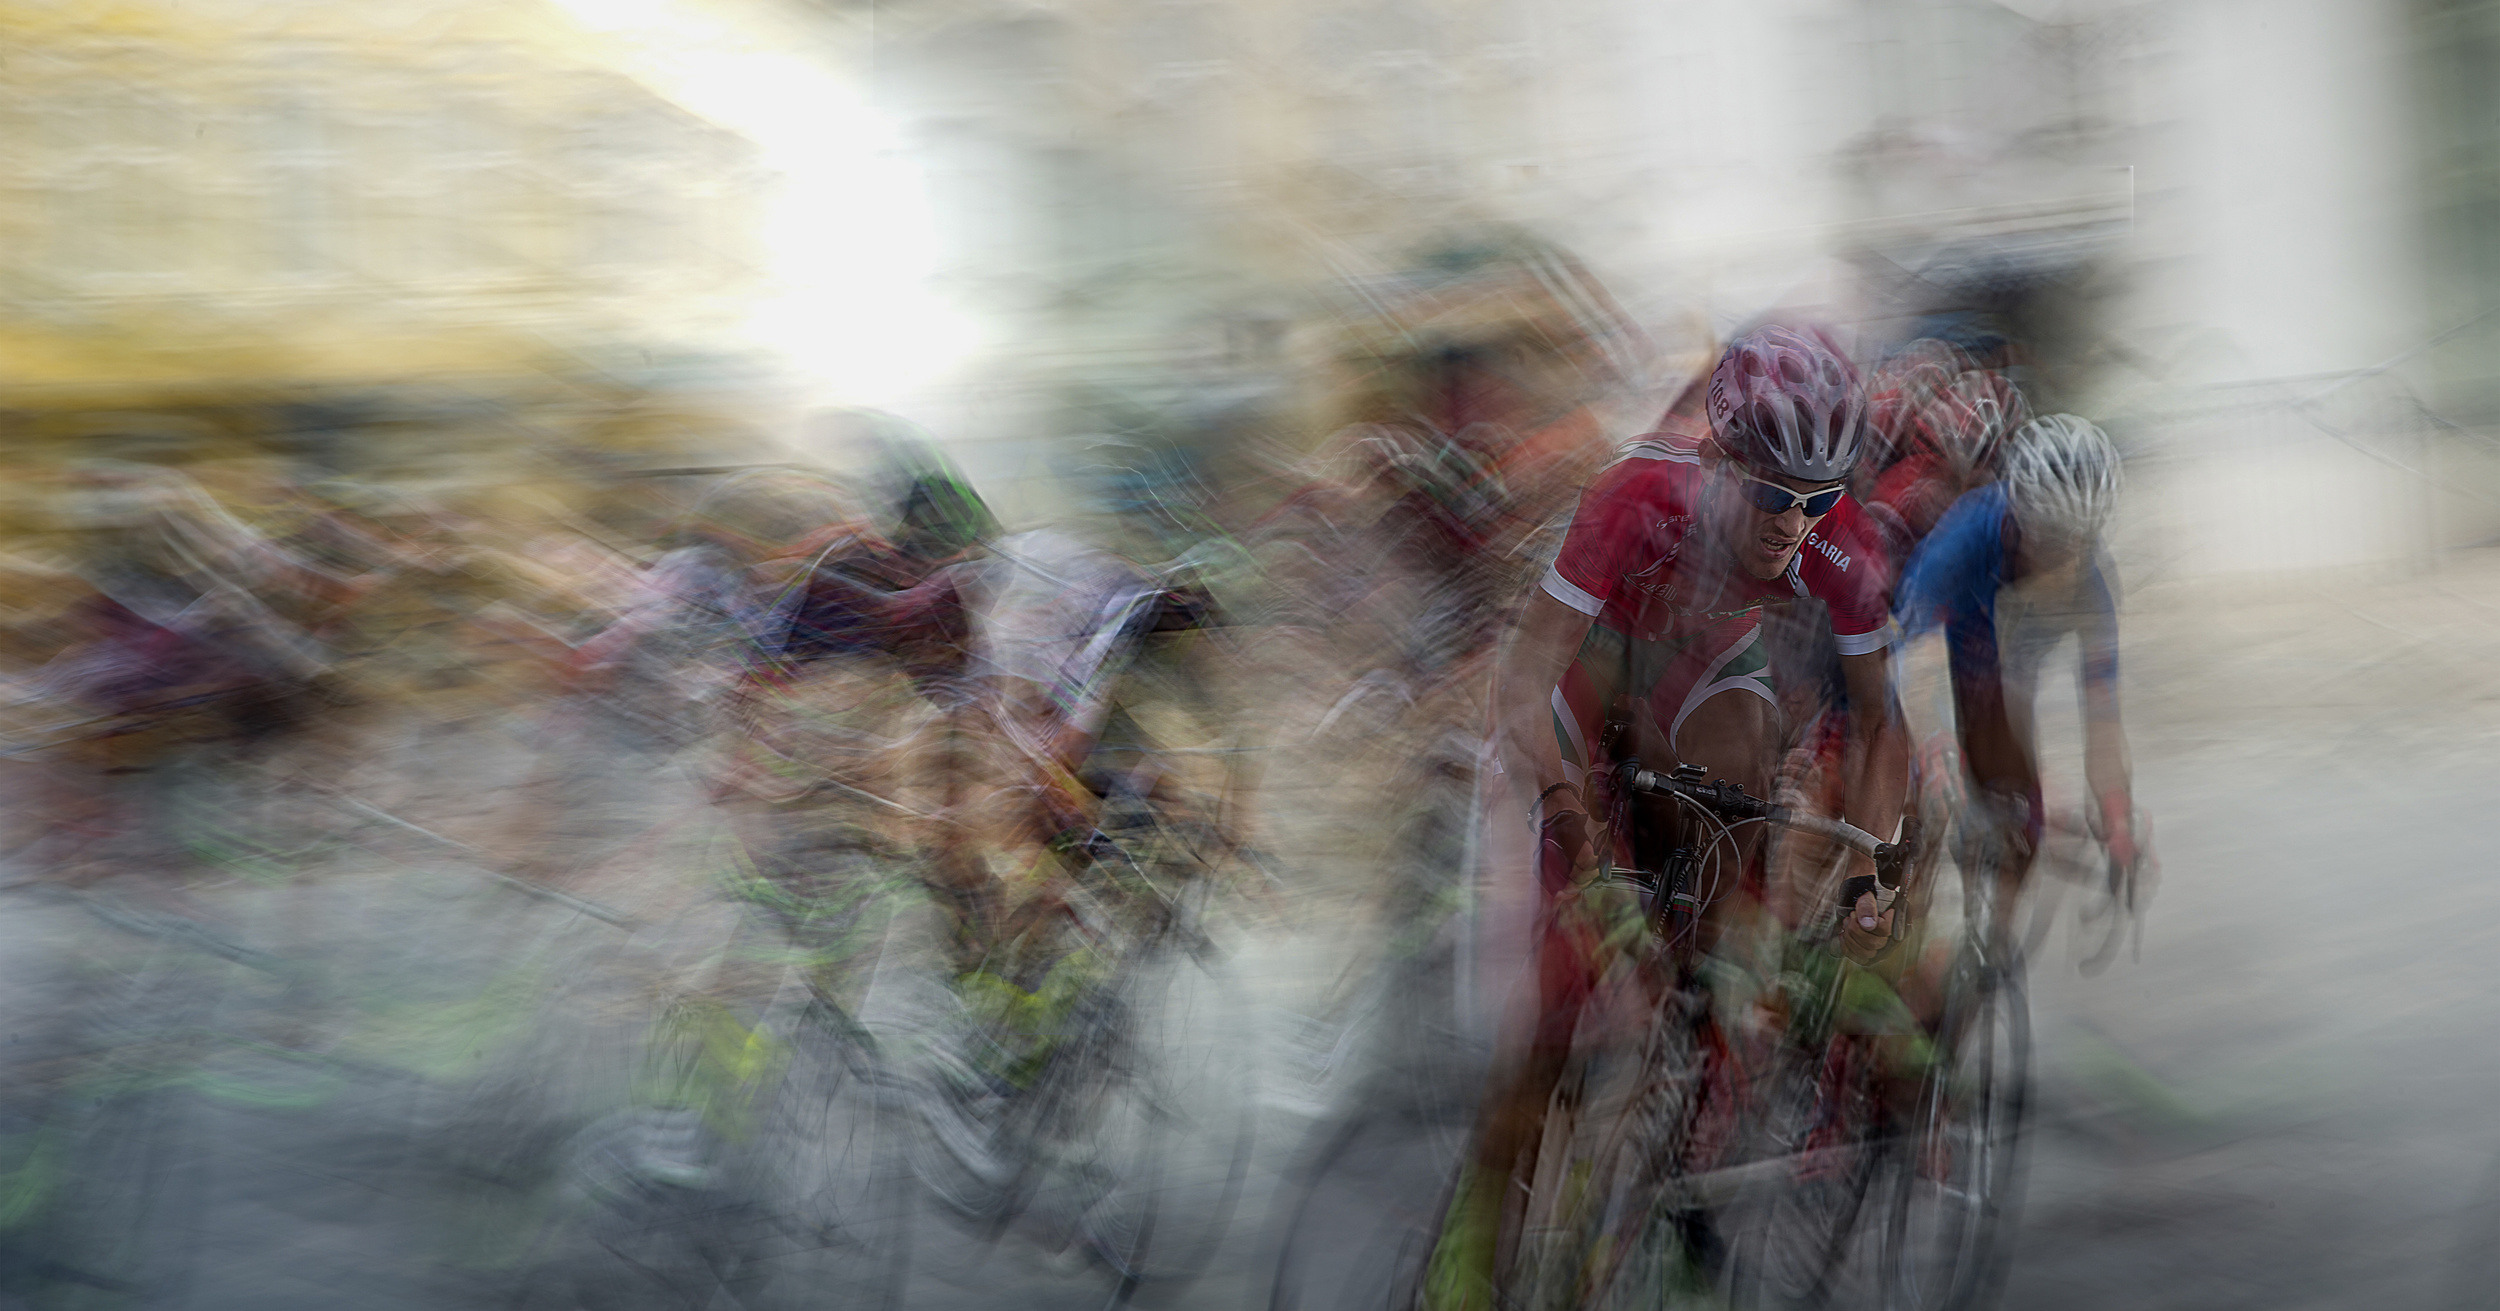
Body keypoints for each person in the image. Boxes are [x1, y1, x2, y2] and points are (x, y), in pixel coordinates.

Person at [1425, 326, 1913, 1308]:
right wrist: (1582, 850)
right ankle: (1466, 1267)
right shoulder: (1637, 495)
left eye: (1818, 499)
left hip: (1710, 726)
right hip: (1588, 717)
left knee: (1728, 974)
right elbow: (1525, 681)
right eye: (1772, 496)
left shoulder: (1837, 541)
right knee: (1556, 1016)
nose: (1793, 525)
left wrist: (1871, 869)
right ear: (1719, 459)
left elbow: (1881, 728)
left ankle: (1676, 1193)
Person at [1892, 412, 2142, 947]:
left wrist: (2117, 816)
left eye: (2081, 543)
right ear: (2021, 516)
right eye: (2052, 540)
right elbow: (1921, 668)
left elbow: (2102, 720)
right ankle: (1898, 934)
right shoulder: (1968, 536)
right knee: (1922, 812)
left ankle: (1993, 954)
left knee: (2025, 822)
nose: (2066, 559)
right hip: (1927, 657)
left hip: (1997, 676)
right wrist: (1938, 760)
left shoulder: (2093, 584)